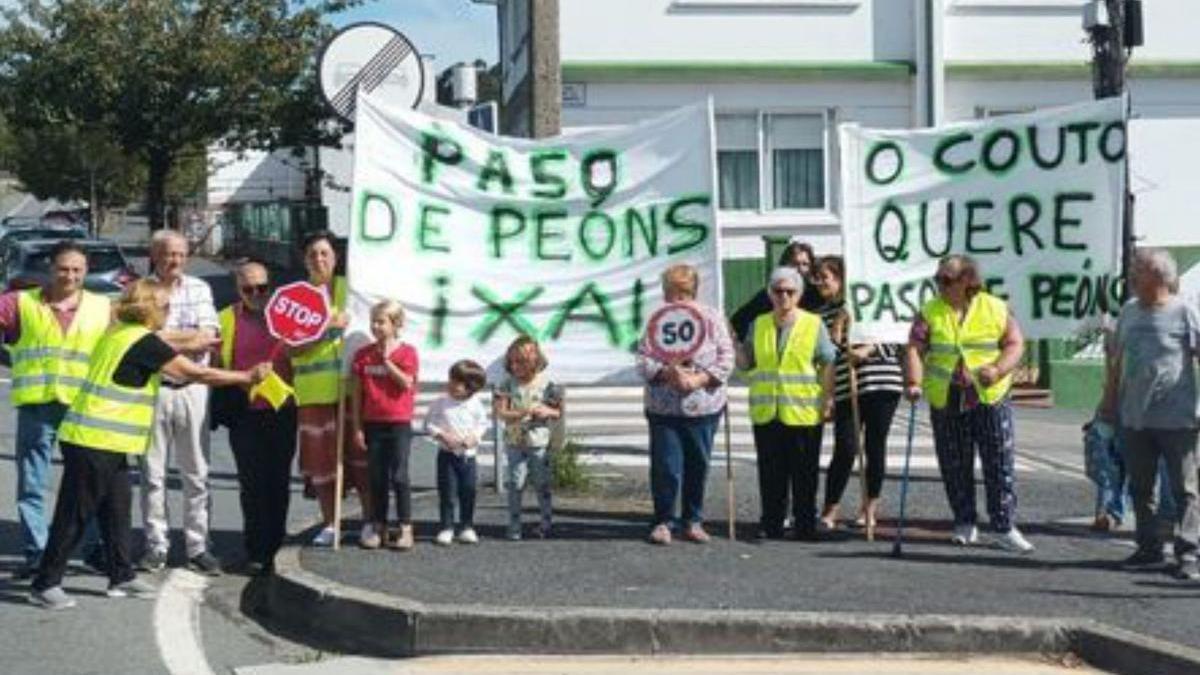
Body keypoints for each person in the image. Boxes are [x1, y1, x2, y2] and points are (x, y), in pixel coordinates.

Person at [29, 280, 270, 610]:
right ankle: (45, 582)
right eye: (165, 307)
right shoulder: (142, 341)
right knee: (75, 513)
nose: (168, 314)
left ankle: (121, 575)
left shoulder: (121, 332)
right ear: (148, 308)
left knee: (117, 508)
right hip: (92, 440)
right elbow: (195, 373)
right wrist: (246, 377)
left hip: (105, 440)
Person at [904, 254, 1034, 553]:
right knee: (954, 463)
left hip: (989, 395)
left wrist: (999, 368)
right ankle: (964, 521)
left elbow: (1015, 343)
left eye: (946, 280)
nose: (940, 285)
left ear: (967, 280)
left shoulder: (994, 307)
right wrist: (913, 382)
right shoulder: (929, 311)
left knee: (999, 461)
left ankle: (1004, 526)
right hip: (947, 397)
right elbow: (915, 347)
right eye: (937, 279)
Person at [1, 241, 112, 579]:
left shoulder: (103, 307)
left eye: (77, 270)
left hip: (84, 406)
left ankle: (91, 548)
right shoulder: (19, 303)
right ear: (51, 269)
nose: (70, 275)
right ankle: (37, 552)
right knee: (33, 484)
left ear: (86, 272)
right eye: (64, 268)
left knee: (87, 483)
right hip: (38, 407)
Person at [1102, 248, 1200, 579]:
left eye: (1138, 270)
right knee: (1141, 488)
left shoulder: (1185, 312)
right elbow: (1116, 359)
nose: (1132, 275)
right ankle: (1149, 548)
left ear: (1159, 276)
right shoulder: (1129, 310)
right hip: (1135, 416)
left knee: (1184, 489)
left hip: (1178, 417)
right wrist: (1109, 401)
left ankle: (1188, 555)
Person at [139, 229, 222, 574]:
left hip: (192, 389)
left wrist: (164, 340)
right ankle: (156, 546)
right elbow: (141, 338)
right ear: (154, 255)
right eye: (168, 254)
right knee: (152, 474)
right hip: (153, 390)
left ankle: (197, 546)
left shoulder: (199, 289)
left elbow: (210, 338)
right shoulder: (141, 292)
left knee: (196, 473)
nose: (175, 260)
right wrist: (188, 340)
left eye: (180, 254)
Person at [637, 264, 734, 545]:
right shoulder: (657, 320)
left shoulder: (712, 319)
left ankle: (692, 519)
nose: (675, 300)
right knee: (666, 465)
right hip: (664, 407)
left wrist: (700, 379)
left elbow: (726, 358)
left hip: (703, 405)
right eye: (671, 293)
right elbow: (643, 359)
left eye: (682, 293)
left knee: (697, 464)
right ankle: (664, 520)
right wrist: (666, 372)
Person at [738, 266, 836, 541]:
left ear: (799, 294)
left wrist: (828, 398)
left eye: (789, 292)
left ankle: (805, 523)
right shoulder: (758, 324)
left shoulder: (813, 324)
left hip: (802, 409)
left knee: (804, 473)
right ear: (770, 293)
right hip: (768, 410)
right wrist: (734, 345)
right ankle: (772, 522)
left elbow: (828, 361)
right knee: (770, 472)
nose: (783, 296)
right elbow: (747, 364)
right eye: (778, 291)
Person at [212, 260, 296, 575]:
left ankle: (276, 547)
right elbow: (217, 364)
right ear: (238, 290)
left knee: (278, 481)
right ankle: (255, 550)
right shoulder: (225, 318)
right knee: (251, 484)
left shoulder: (286, 315)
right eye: (248, 289)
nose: (256, 294)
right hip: (244, 411)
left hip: (282, 409)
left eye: (262, 287)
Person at [813, 256, 903, 531]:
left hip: (881, 381)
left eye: (824, 277)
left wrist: (868, 350)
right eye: (816, 278)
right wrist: (839, 328)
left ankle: (869, 509)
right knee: (846, 447)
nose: (819, 283)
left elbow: (895, 339)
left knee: (875, 445)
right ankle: (830, 509)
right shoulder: (821, 316)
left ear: (840, 278)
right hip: (845, 386)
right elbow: (831, 354)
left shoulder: (870, 303)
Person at [292, 230, 370, 547]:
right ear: (304, 260)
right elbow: (291, 348)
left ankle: (370, 521)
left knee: (361, 457)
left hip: (352, 389)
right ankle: (330, 522)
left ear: (335, 257)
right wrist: (326, 329)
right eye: (313, 254)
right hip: (314, 393)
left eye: (325, 253)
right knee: (321, 464)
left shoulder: (352, 290)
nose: (319, 259)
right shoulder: (294, 298)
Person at [351, 300, 419, 550]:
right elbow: (357, 394)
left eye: (381, 322)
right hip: (373, 422)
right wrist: (357, 427)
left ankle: (405, 527)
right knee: (376, 476)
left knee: (399, 475)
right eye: (373, 321)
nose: (376, 326)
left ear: (395, 324)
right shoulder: (363, 355)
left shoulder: (408, 352)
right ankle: (378, 525)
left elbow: (406, 383)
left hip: (399, 422)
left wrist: (387, 361)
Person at [495, 336, 564, 540]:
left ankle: (546, 522)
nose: (515, 367)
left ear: (534, 362)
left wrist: (546, 411)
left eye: (521, 362)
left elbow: (558, 412)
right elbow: (500, 412)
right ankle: (514, 524)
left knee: (542, 483)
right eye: (512, 362)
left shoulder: (548, 385)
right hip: (515, 442)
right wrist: (521, 412)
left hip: (538, 443)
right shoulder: (507, 384)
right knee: (515, 483)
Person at [424, 360, 489, 546]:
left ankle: (467, 527)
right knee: (447, 493)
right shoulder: (441, 402)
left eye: (457, 382)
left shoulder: (475, 404)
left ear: (471, 388)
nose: (451, 385)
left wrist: (474, 437)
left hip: (469, 457)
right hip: (447, 456)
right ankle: (447, 527)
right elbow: (428, 424)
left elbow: (482, 423)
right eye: (451, 380)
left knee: (468, 491)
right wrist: (442, 435)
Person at [730, 241, 821, 343]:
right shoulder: (771, 294)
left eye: (805, 264)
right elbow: (739, 321)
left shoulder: (817, 294)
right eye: (794, 264)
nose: (799, 269)